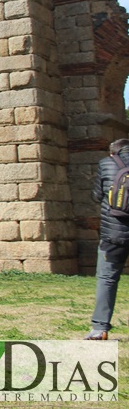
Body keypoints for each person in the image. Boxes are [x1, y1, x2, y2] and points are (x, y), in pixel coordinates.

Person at [87, 138, 129, 340]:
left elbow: (96, 195)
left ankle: (99, 328)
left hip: (114, 232)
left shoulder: (106, 164)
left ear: (113, 153)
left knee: (107, 278)